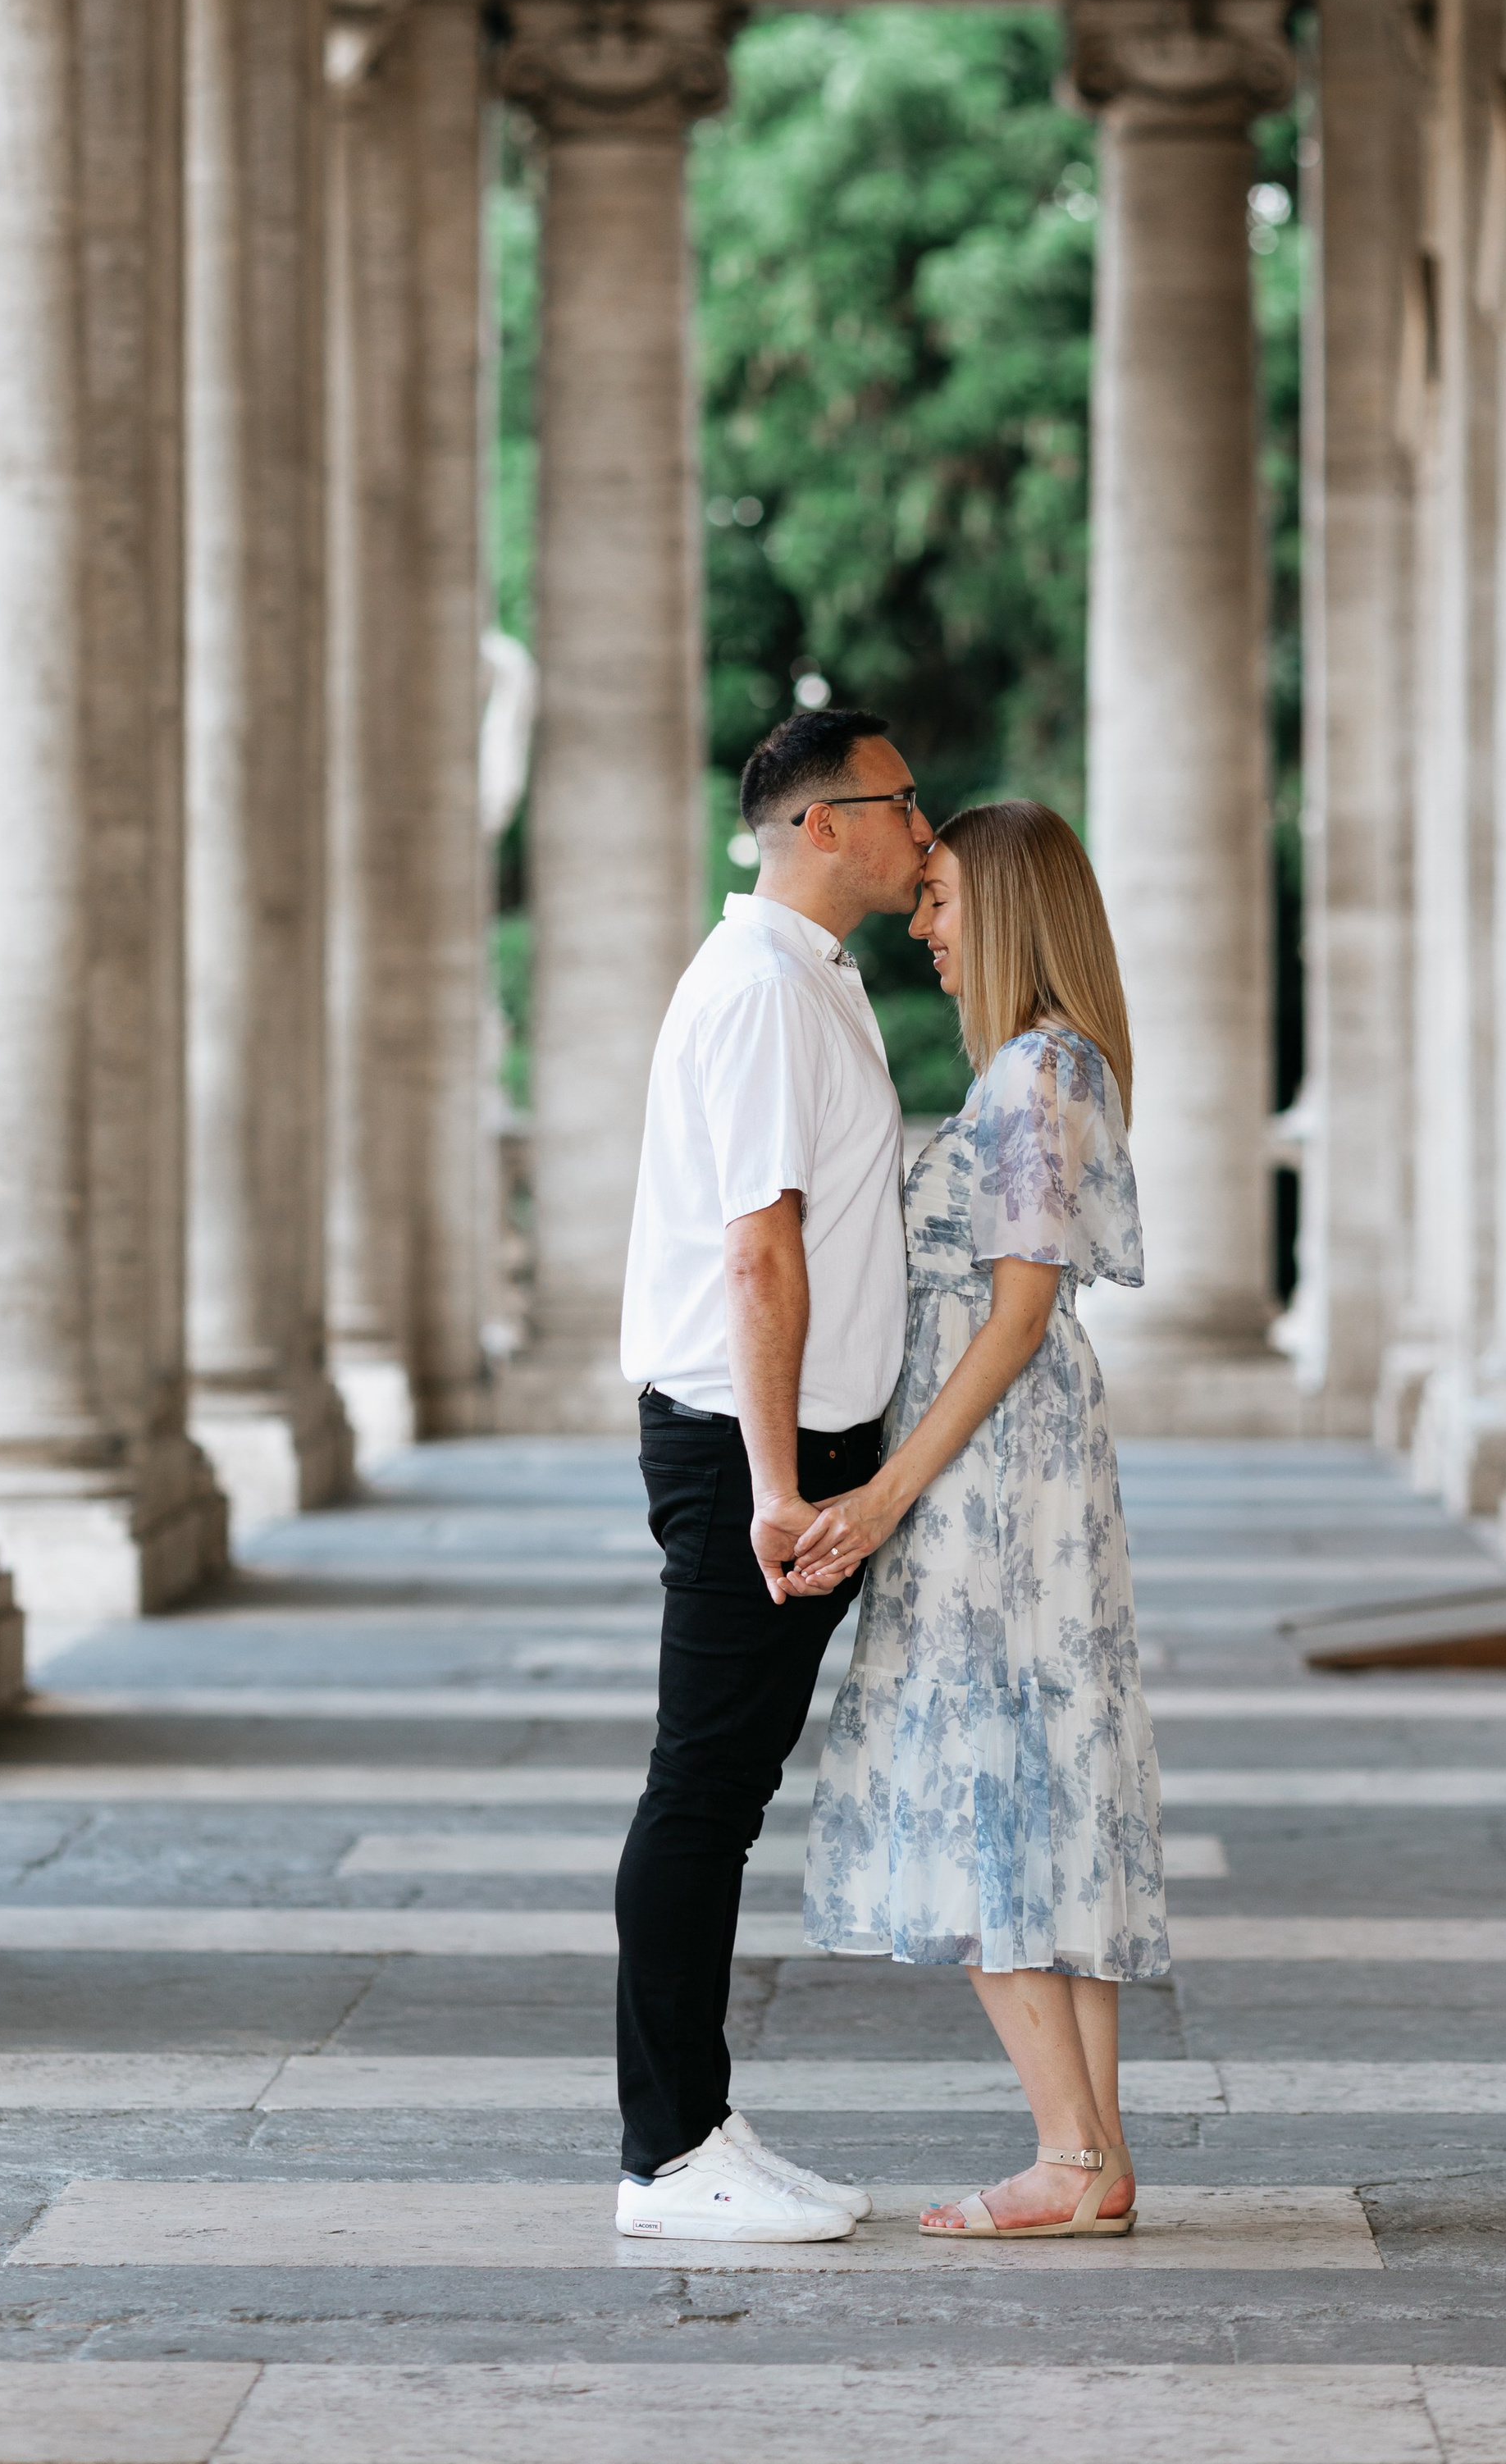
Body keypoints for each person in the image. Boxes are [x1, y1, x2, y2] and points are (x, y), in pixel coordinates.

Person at [796, 797, 1169, 2240]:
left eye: (942, 898)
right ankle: (1092, 2158)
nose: (923, 923)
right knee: (1036, 1784)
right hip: (1021, 1463)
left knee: (985, 1786)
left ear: (1006, 907)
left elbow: (1013, 1321)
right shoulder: (1052, 1066)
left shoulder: (1034, 1073)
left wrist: (888, 1491)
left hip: (992, 1477)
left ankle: (1073, 2156)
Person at [611, 705, 933, 2243]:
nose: (919, 825)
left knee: (725, 1789)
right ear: (820, 824)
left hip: (801, 1440)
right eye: (897, 802)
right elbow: (758, 1252)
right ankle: (669, 2157)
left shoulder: (806, 981)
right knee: (705, 1788)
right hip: (762, 1447)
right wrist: (775, 1480)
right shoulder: (756, 991)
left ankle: (703, 2122)